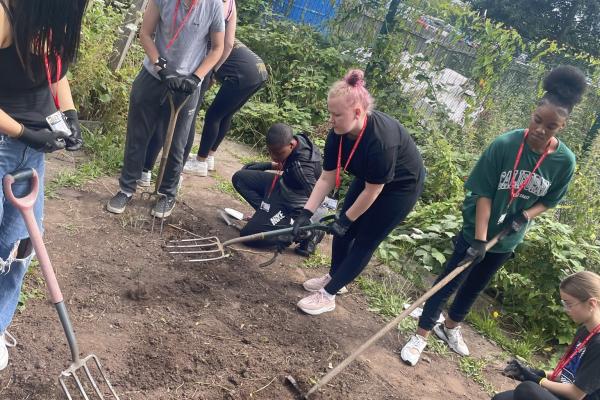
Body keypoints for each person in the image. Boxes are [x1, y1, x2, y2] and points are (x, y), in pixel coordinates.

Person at [400, 65, 587, 366]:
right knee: (448, 281)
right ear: (533, 112)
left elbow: (549, 200)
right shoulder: (504, 145)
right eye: (537, 120)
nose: (540, 129)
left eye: (550, 126)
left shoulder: (565, 162)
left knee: (475, 286)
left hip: (507, 238)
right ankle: (420, 334)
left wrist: (525, 215)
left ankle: (449, 328)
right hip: (477, 229)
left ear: (561, 127)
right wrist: (478, 240)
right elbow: (484, 194)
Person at [292, 69, 426, 315]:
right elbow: (326, 177)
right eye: (330, 113)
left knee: (364, 239)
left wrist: (347, 220)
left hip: (399, 188)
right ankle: (334, 278)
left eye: (336, 115)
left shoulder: (380, 141)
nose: (331, 120)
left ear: (357, 113)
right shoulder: (338, 133)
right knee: (343, 232)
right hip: (369, 180)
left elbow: (373, 193)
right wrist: (306, 213)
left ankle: (328, 295)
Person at [0, 0, 88, 371]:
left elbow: (54, 70)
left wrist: (67, 114)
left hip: (28, 153)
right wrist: (23, 132)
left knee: (19, 249)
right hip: (6, 143)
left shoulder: (46, 17)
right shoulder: (4, 16)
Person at [106, 0, 225, 218]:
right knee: (138, 135)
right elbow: (146, 33)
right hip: (153, 75)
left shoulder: (214, 5)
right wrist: (162, 68)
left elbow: (218, 47)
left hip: (189, 82)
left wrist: (196, 77)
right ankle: (126, 189)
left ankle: (167, 194)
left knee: (178, 143)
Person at [495, 271, 600, 400]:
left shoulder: (598, 344)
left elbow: (576, 393)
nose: (566, 309)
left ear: (591, 303)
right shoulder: (585, 330)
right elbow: (569, 376)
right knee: (500, 398)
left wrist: (538, 380)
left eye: (569, 304)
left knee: (527, 389)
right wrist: (538, 373)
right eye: (564, 304)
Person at [231, 123, 323, 253]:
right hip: (283, 185)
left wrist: (294, 231)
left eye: (277, 153)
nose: (274, 156)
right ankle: (267, 214)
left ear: (291, 145)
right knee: (240, 178)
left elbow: (318, 199)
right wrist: (267, 165)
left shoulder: (302, 168)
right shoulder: (296, 141)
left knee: (248, 236)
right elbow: (289, 162)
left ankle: (309, 232)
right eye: (270, 152)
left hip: (293, 202)